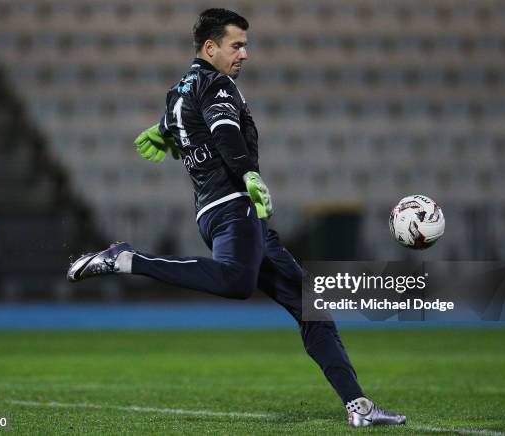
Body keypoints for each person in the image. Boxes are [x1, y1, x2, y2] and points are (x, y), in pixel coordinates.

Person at [67, 8, 405, 428]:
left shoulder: (177, 92)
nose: (244, 54)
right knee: (236, 282)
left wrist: (163, 132)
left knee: (311, 308)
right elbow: (224, 132)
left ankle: (359, 406)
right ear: (211, 48)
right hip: (233, 206)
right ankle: (127, 259)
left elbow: (179, 126)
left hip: (220, 214)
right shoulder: (218, 83)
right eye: (236, 45)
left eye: (245, 45)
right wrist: (248, 173)